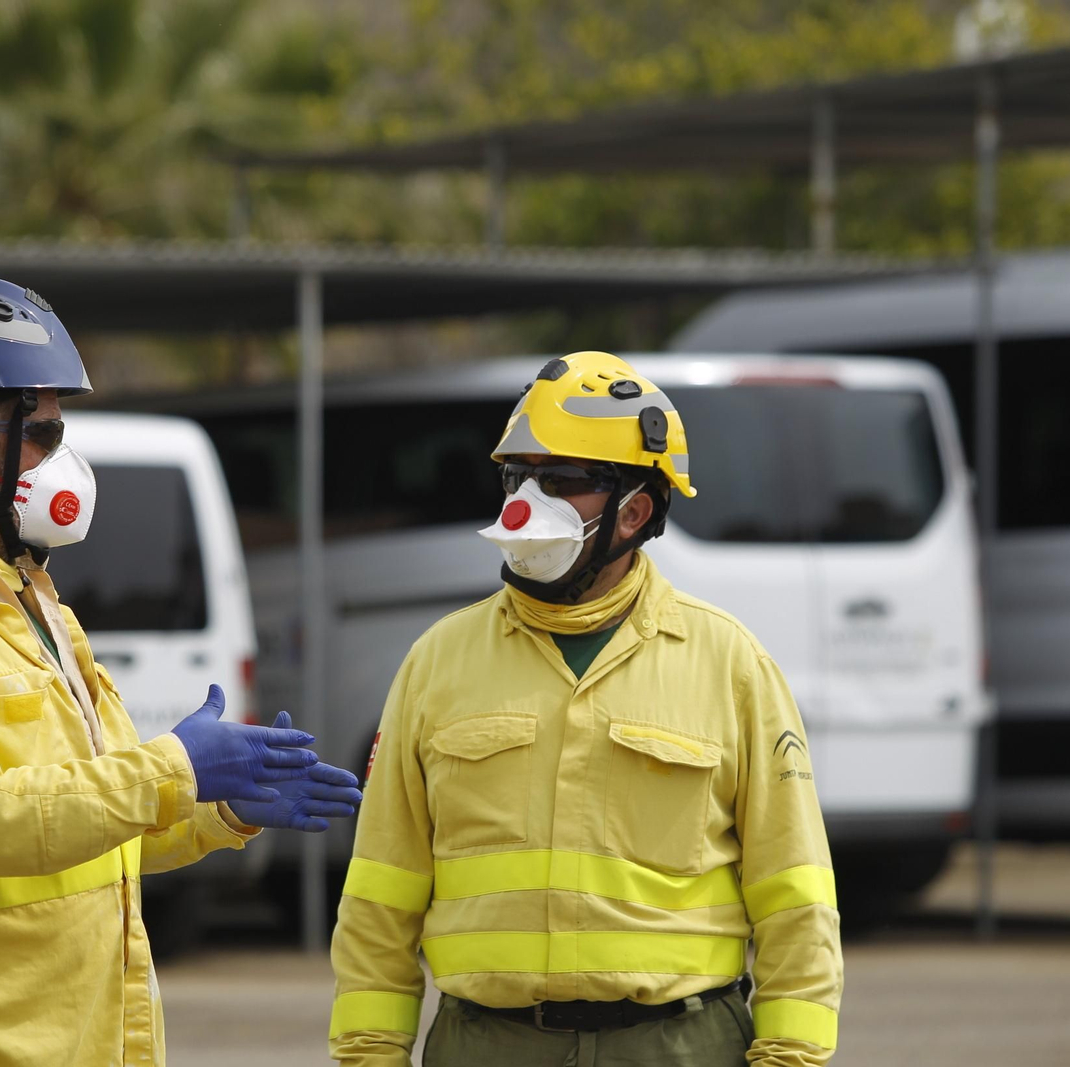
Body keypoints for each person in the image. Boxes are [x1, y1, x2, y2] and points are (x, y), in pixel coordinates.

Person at [0, 275, 362, 1067]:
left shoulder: (26, 598)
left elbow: (82, 827)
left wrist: (212, 808)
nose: (62, 455)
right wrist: (170, 767)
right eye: (45, 430)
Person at [328, 352, 841, 1066]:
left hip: (677, 1044)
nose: (526, 501)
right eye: (518, 476)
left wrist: (790, 1057)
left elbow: (797, 899)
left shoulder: (731, 666)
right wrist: (367, 1057)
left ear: (635, 510)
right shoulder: (436, 662)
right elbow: (380, 900)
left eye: (561, 480)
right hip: (486, 1043)